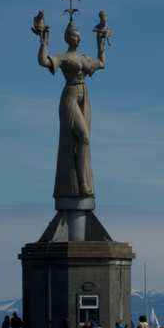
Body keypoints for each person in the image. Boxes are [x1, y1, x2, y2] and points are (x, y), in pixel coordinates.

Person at [36, 11, 108, 198]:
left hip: (84, 99)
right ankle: (82, 184)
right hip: (70, 97)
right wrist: (43, 43)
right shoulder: (64, 57)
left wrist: (101, 41)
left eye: (80, 36)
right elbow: (44, 62)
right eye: (75, 36)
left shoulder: (83, 58)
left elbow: (101, 63)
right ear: (69, 38)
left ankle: (81, 181)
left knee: (83, 141)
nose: (78, 39)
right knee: (83, 138)